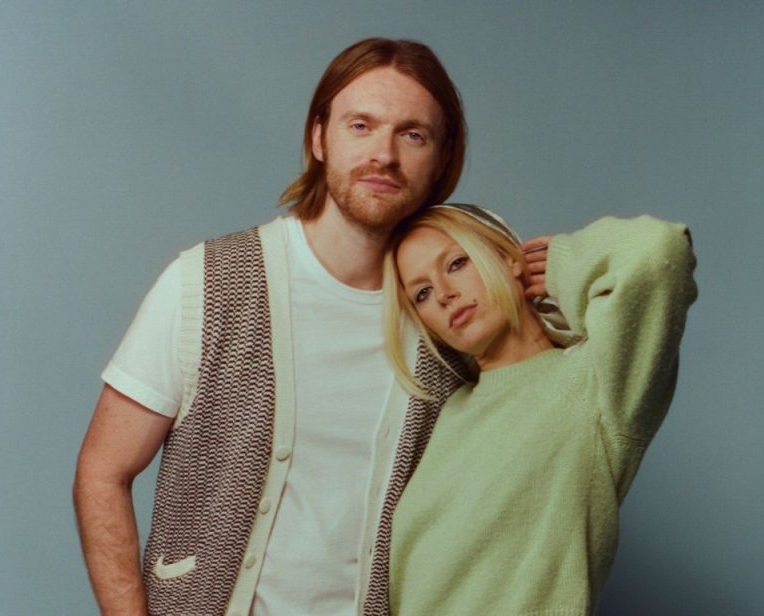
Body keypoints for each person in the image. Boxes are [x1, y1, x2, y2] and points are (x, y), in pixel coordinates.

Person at [73, 38, 468, 616]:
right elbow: (102, 472)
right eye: (361, 126)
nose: (383, 154)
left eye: (413, 135)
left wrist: (555, 269)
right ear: (319, 138)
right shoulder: (207, 282)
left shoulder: (451, 318)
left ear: (441, 158)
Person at [381, 204, 698, 615]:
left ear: (509, 259)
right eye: (421, 293)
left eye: (457, 263)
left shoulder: (596, 381)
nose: (444, 294)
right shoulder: (443, 413)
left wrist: (564, 264)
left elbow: (658, 252)